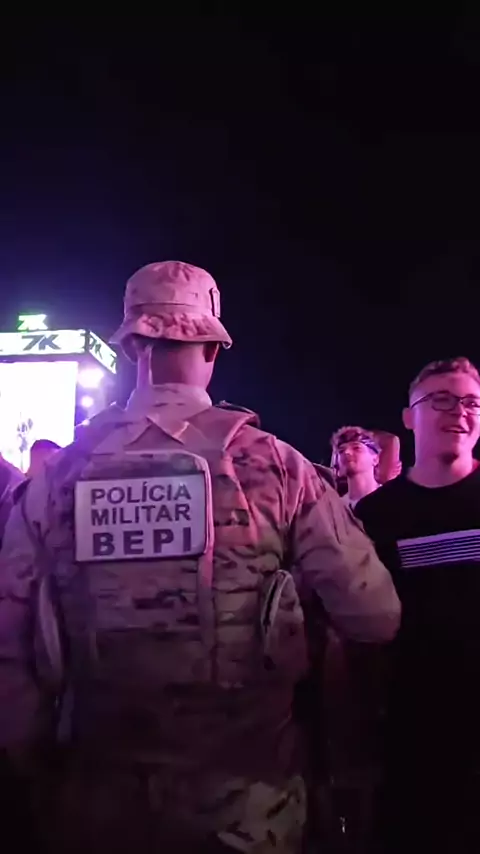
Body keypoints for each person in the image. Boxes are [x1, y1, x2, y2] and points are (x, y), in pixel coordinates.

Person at [0, 260, 400, 854]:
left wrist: (36, 764)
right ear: (213, 347)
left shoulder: (56, 477)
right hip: (247, 808)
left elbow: (10, 646)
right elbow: (374, 615)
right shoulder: (277, 467)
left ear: (132, 345)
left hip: (96, 807)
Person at [355, 357, 480, 853]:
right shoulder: (376, 515)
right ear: (409, 417)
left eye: (471, 402)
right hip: (409, 734)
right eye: (441, 400)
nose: (460, 412)